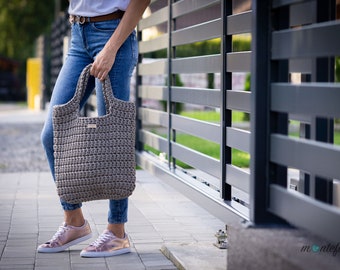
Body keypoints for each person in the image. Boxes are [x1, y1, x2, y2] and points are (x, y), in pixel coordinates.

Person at [38, 0, 150, 258]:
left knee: (114, 136)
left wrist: (111, 48)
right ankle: (74, 221)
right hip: (78, 36)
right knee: (52, 134)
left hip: (114, 33)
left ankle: (117, 232)